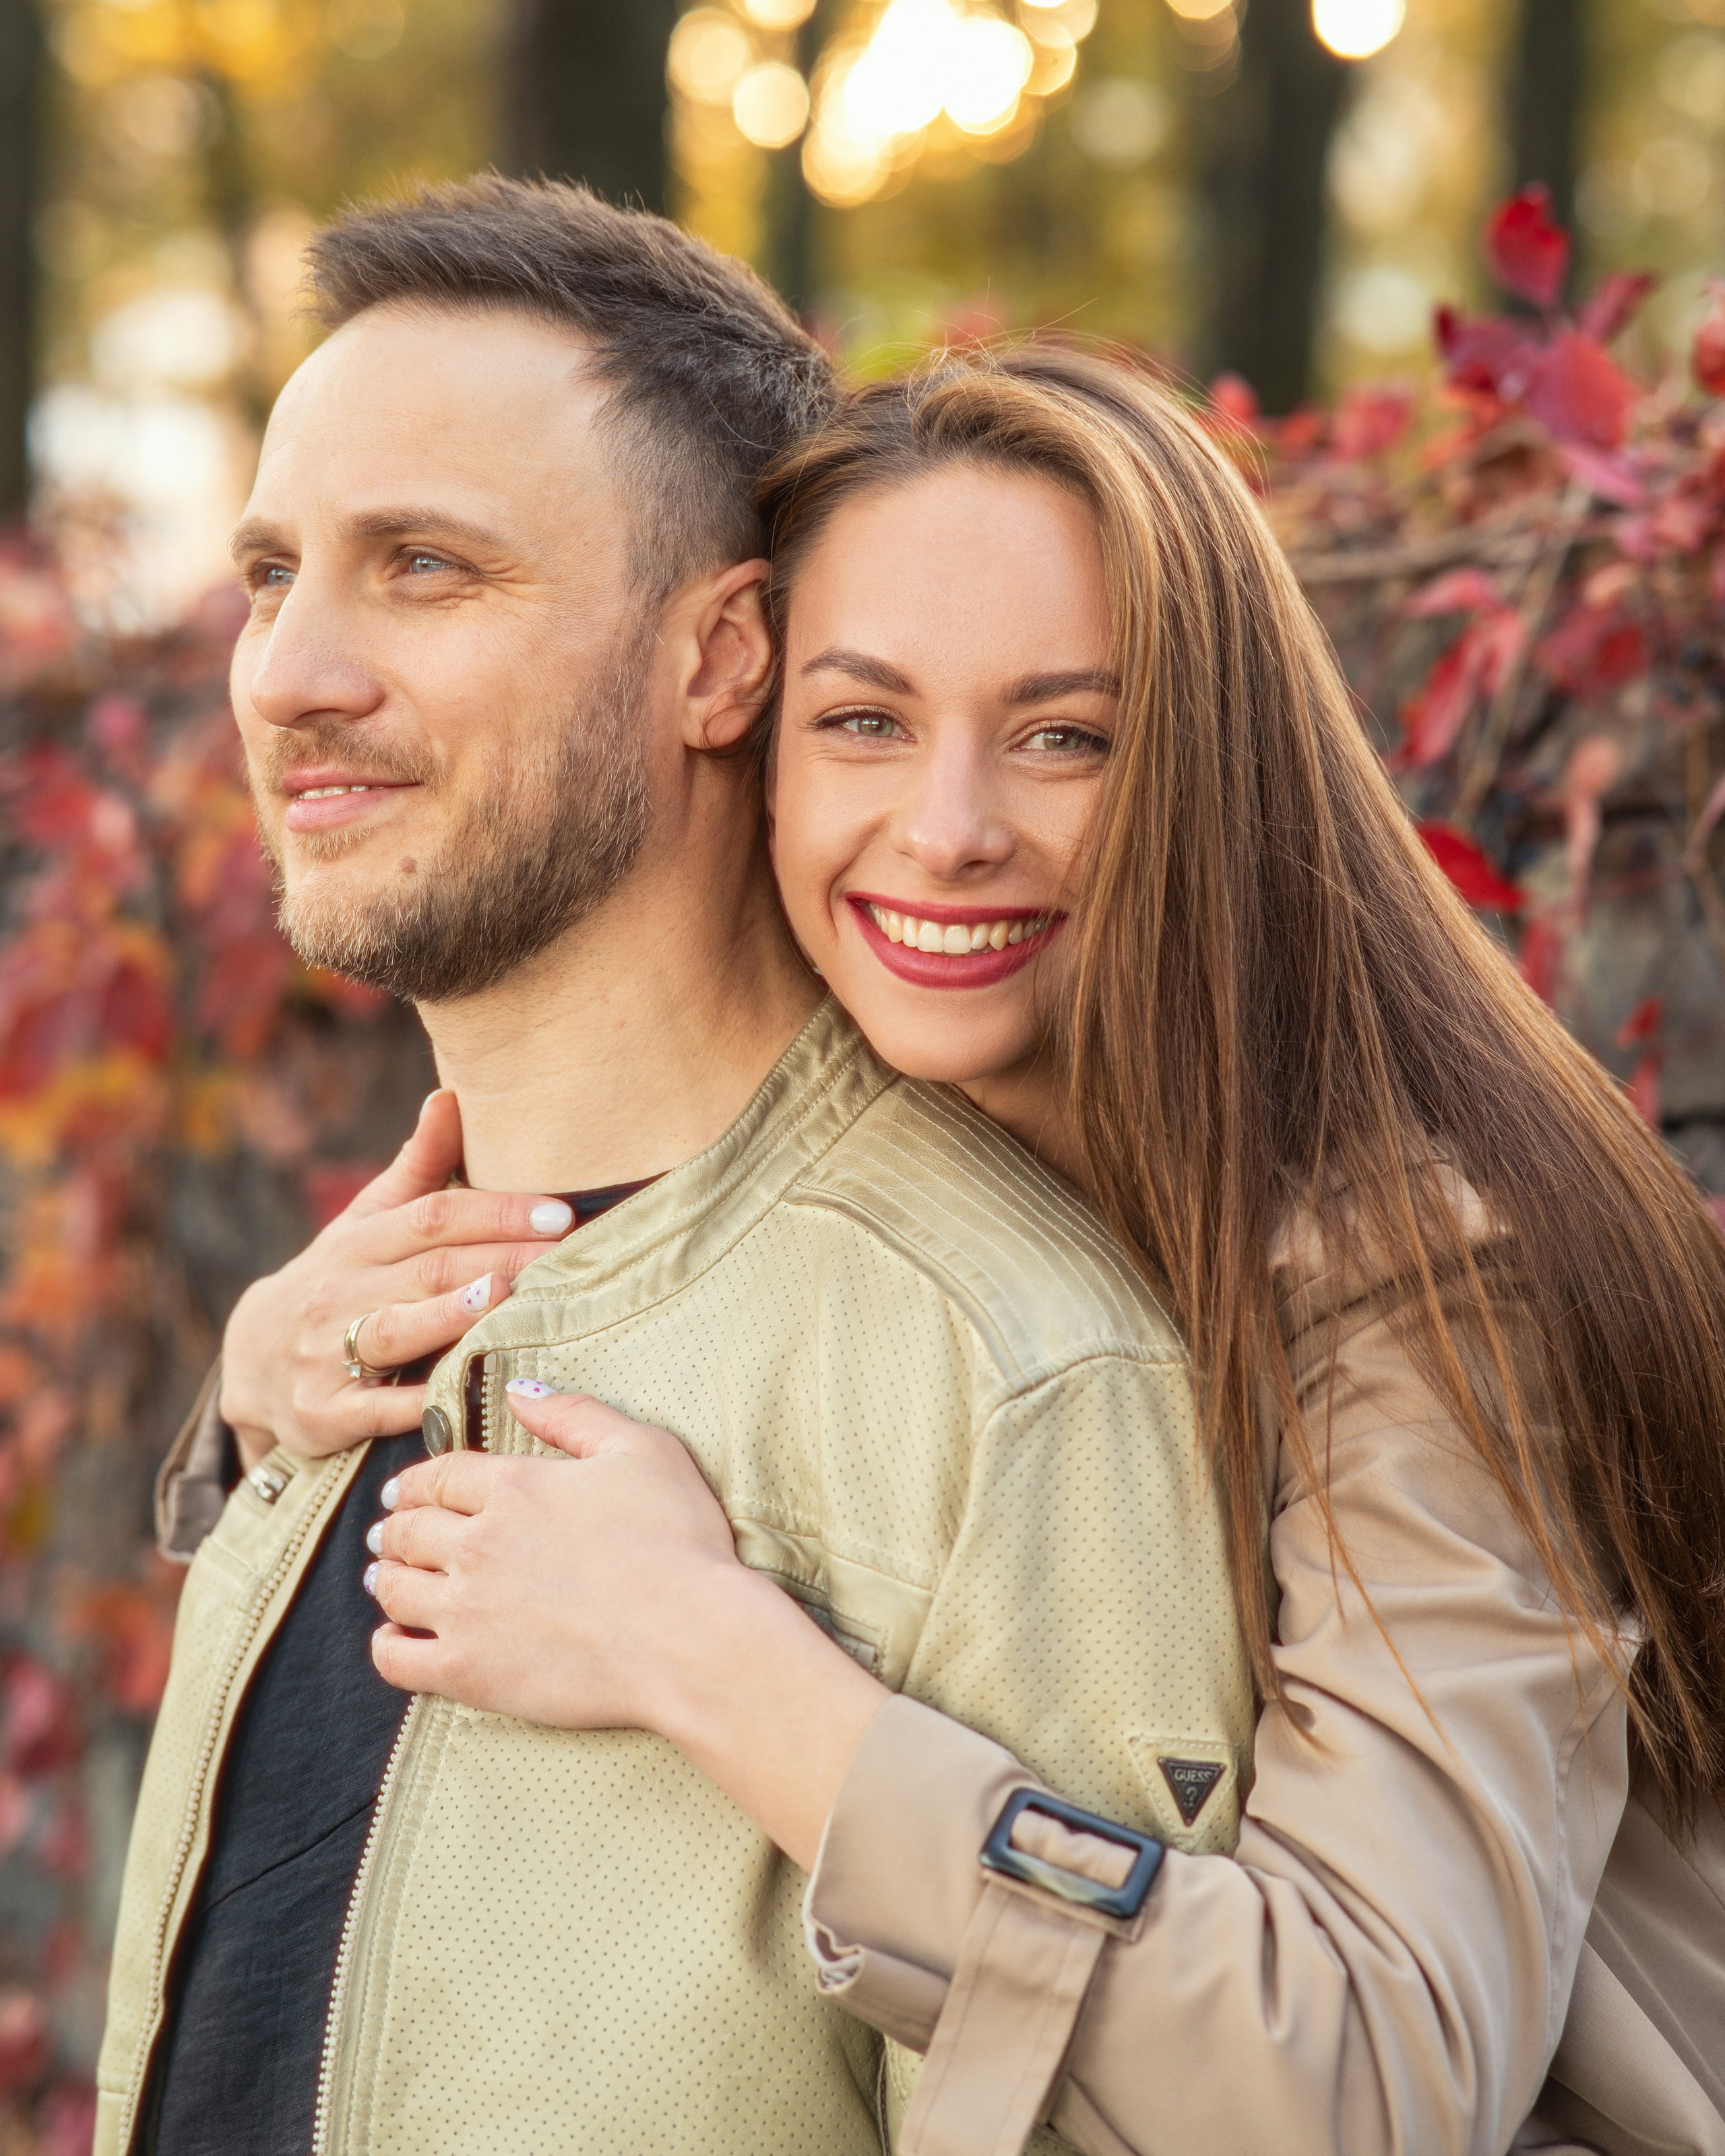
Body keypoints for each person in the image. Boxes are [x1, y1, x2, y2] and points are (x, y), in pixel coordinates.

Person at [356, 350, 1725, 2155]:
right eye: (863, 722)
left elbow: (1374, 2081)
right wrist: (272, 1366)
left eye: (1065, 736)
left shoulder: (1418, 1293)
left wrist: (711, 1656)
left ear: (1205, 772)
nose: (949, 829)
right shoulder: (881, 1165)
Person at [96, 189, 1256, 2156]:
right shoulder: (340, 1331)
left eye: (427, 569)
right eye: (273, 572)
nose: (290, 674)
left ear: (722, 658)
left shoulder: (1007, 1377)